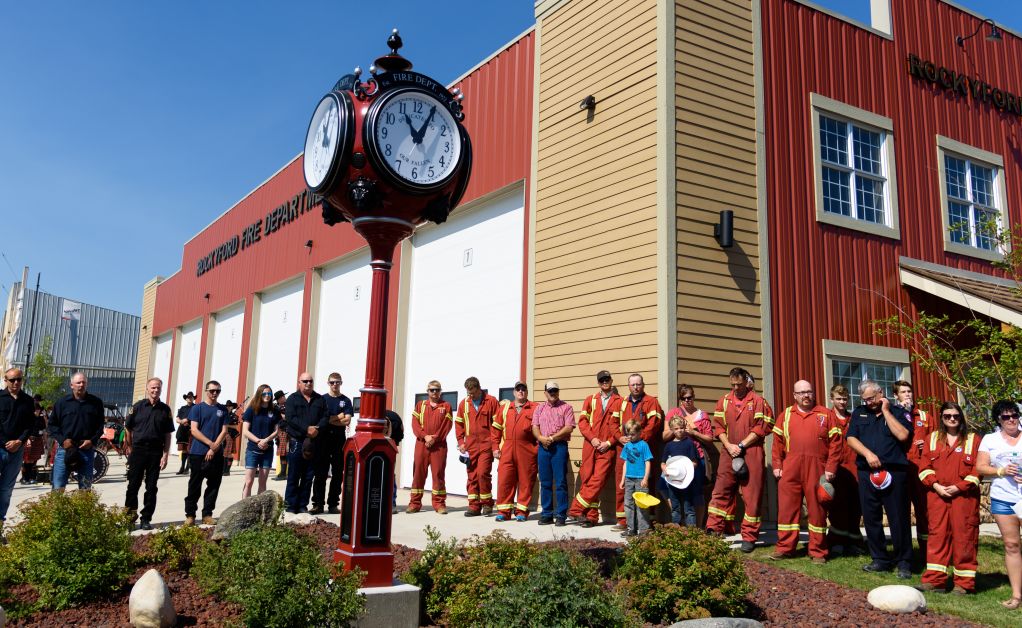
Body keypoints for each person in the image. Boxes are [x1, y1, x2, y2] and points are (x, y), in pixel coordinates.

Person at [845, 380, 913, 579]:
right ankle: (880, 559)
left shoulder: (898, 412)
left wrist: (885, 411)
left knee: (898, 518)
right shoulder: (859, 413)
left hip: (894, 471)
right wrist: (867, 454)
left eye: (872, 398)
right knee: (871, 517)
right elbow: (851, 438)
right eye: (865, 399)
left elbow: (902, 435)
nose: (869, 403)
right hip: (867, 472)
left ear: (881, 393)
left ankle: (903, 562)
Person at [770, 380, 842, 563]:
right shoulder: (785, 415)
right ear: (795, 395)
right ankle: (785, 548)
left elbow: (836, 443)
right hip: (790, 468)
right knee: (787, 509)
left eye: (809, 391)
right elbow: (777, 443)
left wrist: (831, 467)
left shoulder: (825, 414)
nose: (806, 395)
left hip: (817, 468)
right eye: (801, 392)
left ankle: (818, 551)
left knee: (817, 510)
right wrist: (777, 465)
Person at [705, 367, 774, 553]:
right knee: (720, 491)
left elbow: (763, 427)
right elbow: (718, 427)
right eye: (733, 385)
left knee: (752, 495)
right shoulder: (724, 401)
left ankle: (749, 537)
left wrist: (741, 445)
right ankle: (714, 530)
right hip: (728, 451)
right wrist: (728, 446)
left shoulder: (759, 401)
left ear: (747, 382)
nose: (736, 388)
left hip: (752, 451)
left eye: (739, 384)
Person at [916, 401, 980, 594]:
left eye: (956, 416)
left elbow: (978, 469)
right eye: (947, 416)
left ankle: (963, 584)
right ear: (942, 418)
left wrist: (959, 487)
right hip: (937, 496)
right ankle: (935, 581)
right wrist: (935, 485)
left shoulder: (973, 439)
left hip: (965, 498)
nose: (952, 419)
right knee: (937, 537)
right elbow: (924, 467)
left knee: (965, 537)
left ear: (961, 417)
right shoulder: (932, 438)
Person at [976, 400, 1022, 609]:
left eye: (1014, 415)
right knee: (1012, 545)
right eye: (1006, 417)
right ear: (998, 419)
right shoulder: (990, 439)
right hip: (1003, 498)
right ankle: (1016, 596)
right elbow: (981, 467)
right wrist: (1001, 471)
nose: (1011, 419)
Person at [568, 370, 622, 527]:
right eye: (602, 380)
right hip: (590, 445)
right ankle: (591, 517)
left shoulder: (620, 401)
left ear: (611, 381)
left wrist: (610, 442)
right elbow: (583, 422)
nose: (605, 382)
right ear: (598, 383)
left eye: (607, 379)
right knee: (587, 479)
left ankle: (576, 509)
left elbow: (620, 427)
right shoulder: (590, 399)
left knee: (598, 480)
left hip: (607, 448)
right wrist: (592, 439)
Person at [123, 377, 175, 530]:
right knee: (133, 485)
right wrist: (130, 447)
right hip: (138, 451)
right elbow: (128, 428)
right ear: (147, 389)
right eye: (152, 388)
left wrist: (165, 454)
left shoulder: (165, 410)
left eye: (158, 388)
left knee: (151, 487)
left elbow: (168, 434)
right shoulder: (137, 407)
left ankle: (146, 518)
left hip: (155, 452)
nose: (155, 390)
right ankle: (130, 518)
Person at [614, 374, 664, 529]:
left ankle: (647, 523)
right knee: (623, 485)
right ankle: (625, 522)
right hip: (625, 448)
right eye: (633, 384)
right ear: (628, 386)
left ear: (643, 385)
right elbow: (612, 422)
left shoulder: (651, 401)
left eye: (638, 384)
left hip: (643, 449)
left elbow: (653, 424)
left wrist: (638, 439)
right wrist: (619, 438)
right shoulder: (621, 402)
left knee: (645, 487)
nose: (635, 387)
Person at [663, 383, 714, 526]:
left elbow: (710, 439)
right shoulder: (673, 413)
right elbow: (664, 436)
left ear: (694, 397)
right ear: (680, 399)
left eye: (689, 397)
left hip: (695, 459)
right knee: (668, 490)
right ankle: (680, 524)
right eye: (684, 398)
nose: (687, 401)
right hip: (675, 461)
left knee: (696, 494)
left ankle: (697, 528)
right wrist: (677, 429)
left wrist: (693, 432)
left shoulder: (702, 415)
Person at [895, 380, 935, 554]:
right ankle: (904, 551)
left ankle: (926, 550)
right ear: (896, 396)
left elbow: (936, 442)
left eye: (909, 392)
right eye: (903, 392)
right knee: (900, 511)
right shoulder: (893, 415)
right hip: (901, 469)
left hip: (920, 469)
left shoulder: (924, 417)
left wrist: (925, 445)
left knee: (924, 511)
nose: (907, 395)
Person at [825, 384, 865, 555]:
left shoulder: (853, 418)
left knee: (855, 506)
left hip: (854, 468)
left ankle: (853, 542)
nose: (842, 402)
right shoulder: (827, 417)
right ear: (831, 399)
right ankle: (836, 542)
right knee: (837, 507)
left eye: (844, 399)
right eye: (838, 399)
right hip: (836, 468)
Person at [49, 372, 105, 491]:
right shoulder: (62, 403)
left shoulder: (96, 403)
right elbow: (52, 425)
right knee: (58, 487)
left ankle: (83, 509)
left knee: (85, 488)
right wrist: (63, 441)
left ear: (87, 384)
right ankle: (57, 509)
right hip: (65, 449)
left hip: (86, 449)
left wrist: (92, 441)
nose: (81, 385)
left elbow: (100, 426)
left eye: (83, 382)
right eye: (78, 382)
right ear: (71, 385)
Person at [185, 381, 230, 526]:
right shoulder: (197, 408)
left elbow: (224, 431)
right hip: (198, 453)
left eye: (218, 391)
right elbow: (194, 430)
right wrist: (210, 444)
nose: (215, 393)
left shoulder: (222, 410)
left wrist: (214, 448)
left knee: (213, 485)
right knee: (195, 485)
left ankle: (207, 514)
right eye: (212, 391)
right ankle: (190, 515)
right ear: (206, 391)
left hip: (216, 454)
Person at [283, 372, 328, 514]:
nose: (308, 383)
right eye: (305, 381)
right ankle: (290, 507)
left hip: (314, 443)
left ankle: (302, 506)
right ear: (299, 382)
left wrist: (317, 428)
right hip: (297, 443)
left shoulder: (319, 399)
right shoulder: (292, 399)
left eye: (310, 381)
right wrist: (306, 428)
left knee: (308, 477)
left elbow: (325, 417)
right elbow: (291, 418)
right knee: (294, 476)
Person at [531, 380, 575, 526]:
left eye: (555, 391)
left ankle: (561, 514)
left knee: (561, 482)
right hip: (543, 448)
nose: (553, 393)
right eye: (550, 391)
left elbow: (569, 427)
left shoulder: (566, 407)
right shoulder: (539, 408)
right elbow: (535, 426)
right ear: (545, 393)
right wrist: (540, 438)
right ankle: (547, 513)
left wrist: (552, 438)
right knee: (545, 482)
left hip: (559, 447)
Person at [454, 377, 499, 517]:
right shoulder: (464, 404)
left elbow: (497, 425)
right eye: (469, 393)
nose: (471, 396)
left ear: (479, 388)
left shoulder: (491, 401)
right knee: (472, 476)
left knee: (482, 474)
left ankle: (487, 503)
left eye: (473, 393)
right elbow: (459, 424)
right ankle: (474, 506)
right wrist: (461, 442)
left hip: (486, 444)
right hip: (470, 446)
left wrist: (495, 446)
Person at [493, 381, 537, 522]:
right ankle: (504, 511)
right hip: (507, 449)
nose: (521, 391)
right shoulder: (505, 408)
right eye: (518, 389)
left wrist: (535, 449)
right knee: (505, 480)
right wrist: (495, 448)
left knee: (526, 481)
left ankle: (521, 512)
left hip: (527, 450)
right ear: (514, 392)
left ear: (527, 392)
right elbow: (496, 430)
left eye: (523, 389)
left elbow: (541, 428)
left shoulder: (535, 408)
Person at [408, 380, 453, 514]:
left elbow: (447, 425)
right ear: (427, 391)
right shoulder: (420, 405)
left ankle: (439, 504)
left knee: (438, 474)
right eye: (432, 390)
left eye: (437, 390)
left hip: (439, 446)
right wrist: (425, 436)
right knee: (418, 474)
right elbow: (415, 424)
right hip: (422, 444)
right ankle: (414, 504)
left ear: (440, 391)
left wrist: (435, 438)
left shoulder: (446, 406)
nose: (435, 392)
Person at [311, 373, 353, 515]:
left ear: (341, 383)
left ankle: (333, 504)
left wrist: (331, 419)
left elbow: (347, 421)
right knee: (320, 473)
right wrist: (338, 417)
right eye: (332, 382)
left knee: (337, 474)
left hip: (338, 440)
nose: (335, 385)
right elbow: (321, 419)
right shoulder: (322, 399)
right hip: (323, 440)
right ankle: (317, 504)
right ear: (328, 383)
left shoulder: (346, 400)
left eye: (338, 382)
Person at [1, 368, 35, 528]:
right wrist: (6, 443)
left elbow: (29, 425)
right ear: (5, 380)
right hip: (1, 447)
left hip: (16, 451)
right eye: (12, 380)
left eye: (19, 380)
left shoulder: (28, 401)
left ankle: (0, 524)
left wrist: (19, 441)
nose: (16, 383)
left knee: (6, 489)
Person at [658, 415, 701, 526]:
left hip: (687, 481)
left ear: (684, 427)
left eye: (681, 428)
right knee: (675, 506)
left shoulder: (689, 443)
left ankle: (691, 532)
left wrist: (687, 468)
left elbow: (695, 462)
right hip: (673, 480)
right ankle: (676, 531)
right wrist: (665, 470)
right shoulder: (669, 445)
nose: (679, 430)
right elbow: (663, 463)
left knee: (689, 507)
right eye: (676, 429)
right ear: (672, 430)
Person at [241, 385, 281, 498]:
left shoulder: (275, 411)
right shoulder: (252, 410)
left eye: (269, 394)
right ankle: (245, 507)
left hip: (267, 451)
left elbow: (277, 431)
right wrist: (258, 441)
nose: (267, 396)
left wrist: (266, 440)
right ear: (259, 394)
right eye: (264, 394)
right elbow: (245, 431)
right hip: (252, 450)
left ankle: (261, 510)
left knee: (262, 483)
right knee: (249, 482)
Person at [619, 420, 653, 537]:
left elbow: (647, 462)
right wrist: (622, 479)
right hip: (629, 478)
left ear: (639, 432)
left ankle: (643, 530)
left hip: (640, 479)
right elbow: (625, 463)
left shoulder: (644, 445)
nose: (630, 437)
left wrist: (645, 478)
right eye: (628, 434)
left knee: (641, 504)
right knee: (628, 504)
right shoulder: (627, 446)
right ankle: (631, 529)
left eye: (633, 434)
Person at [20, 400, 47, 485]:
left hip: (38, 439)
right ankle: (24, 478)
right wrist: (26, 439)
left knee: (35, 460)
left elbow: (43, 429)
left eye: (38, 409)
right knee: (28, 460)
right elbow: (23, 430)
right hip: (29, 439)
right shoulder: (28, 418)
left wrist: (45, 440)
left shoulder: (41, 418)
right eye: (35, 409)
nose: (37, 411)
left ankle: (32, 477)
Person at [384, 408, 403, 513]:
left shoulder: (392, 417)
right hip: (391, 446)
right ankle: (391, 504)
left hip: (389, 447)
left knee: (390, 475)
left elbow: (400, 432)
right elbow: (401, 432)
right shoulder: (394, 415)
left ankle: (391, 503)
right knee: (390, 475)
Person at [175, 392, 195, 475]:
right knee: (183, 450)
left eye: (191, 397)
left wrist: (187, 420)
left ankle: (187, 467)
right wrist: (181, 421)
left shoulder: (196, 407)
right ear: (186, 399)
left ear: (193, 398)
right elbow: (177, 419)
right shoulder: (182, 408)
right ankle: (182, 467)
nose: (190, 398)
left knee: (189, 450)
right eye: (188, 397)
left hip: (191, 431)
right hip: (182, 430)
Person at [221, 400, 241, 476]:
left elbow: (235, 426)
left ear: (232, 407)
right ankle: (223, 469)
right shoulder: (224, 415)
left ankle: (227, 470)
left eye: (229, 406)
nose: (228, 407)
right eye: (227, 406)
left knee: (228, 453)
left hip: (230, 434)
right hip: (223, 434)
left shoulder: (234, 416)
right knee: (223, 453)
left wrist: (226, 425)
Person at [273, 390, 288, 481]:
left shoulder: (288, 405)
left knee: (285, 452)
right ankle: (282, 472)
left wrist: (279, 412)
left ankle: (284, 472)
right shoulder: (277, 407)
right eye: (281, 397)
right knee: (282, 453)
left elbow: (287, 417)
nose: (283, 398)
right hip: (280, 430)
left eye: (283, 396)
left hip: (286, 430)